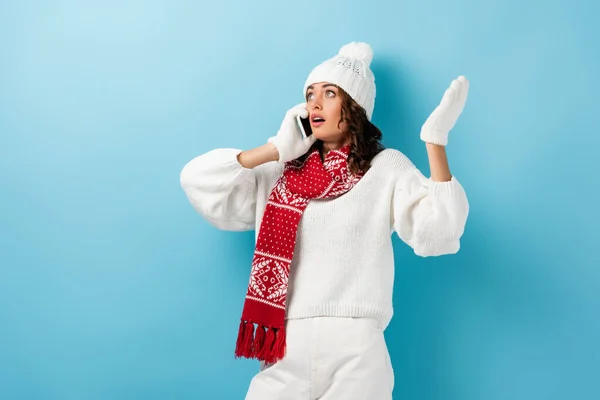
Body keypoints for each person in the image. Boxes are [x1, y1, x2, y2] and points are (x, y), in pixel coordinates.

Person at [179, 42, 470, 399]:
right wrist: (275, 148)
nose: (314, 103)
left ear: (355, 107)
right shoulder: (276, 172)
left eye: (329, 93)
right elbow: (196, 181)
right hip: (284, 346)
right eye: (309, 94)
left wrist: (435, 142)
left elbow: (438, 232)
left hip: (356, 348)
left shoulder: (385, 167)